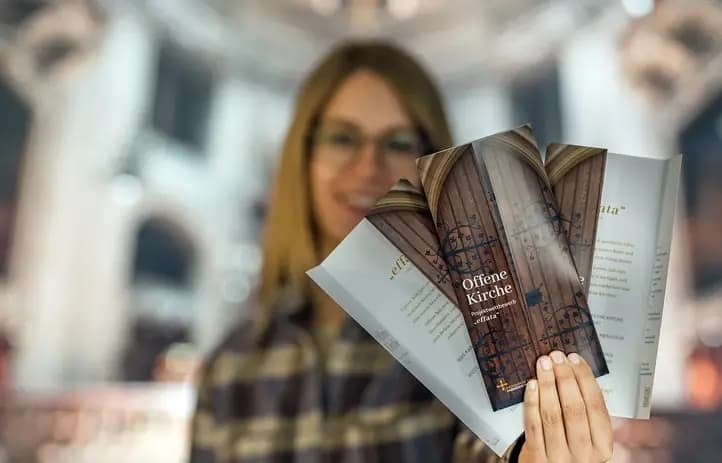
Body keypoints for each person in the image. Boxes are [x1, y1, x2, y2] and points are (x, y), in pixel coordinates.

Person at [189, 41, 613, 463]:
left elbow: (494, 450)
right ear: (303, 155)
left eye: (398, 142)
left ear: (430, 163)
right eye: (342, 138)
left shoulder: (472, 348)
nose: (368, 167)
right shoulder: (230, 366)